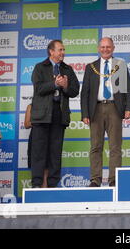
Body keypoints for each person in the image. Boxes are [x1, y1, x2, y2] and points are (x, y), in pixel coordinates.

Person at [81, 37, 130, 187]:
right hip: (95, 109)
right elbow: (85, 92)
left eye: (108, 47)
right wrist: (85, 114)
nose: (105, 49)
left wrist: (128, 108)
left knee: (115, 146)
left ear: (113, 48)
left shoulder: (120, 65)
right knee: (96, 146)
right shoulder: (91, 67)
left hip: (114, 108)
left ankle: (113, 179)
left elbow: (128, 89)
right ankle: (95, 179)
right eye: (102, 47)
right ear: (98, 48)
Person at [30, 40, 79, 188]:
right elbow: (38, 88)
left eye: (63, 50)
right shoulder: (40, 67)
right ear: (51, 52)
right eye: (60, 50)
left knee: (55, 152)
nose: (62, 52)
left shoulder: (67, 69)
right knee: (38, 152)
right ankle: (37, 184)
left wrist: (65, 86)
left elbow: (75, 91)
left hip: (59, 114)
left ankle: (52, 184)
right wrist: (55, 84)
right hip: (42, 115)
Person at [24, 103, 48, 188]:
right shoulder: (31, 106)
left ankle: (45, 188)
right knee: (36, 161)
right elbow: (26, 124)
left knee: (47, 163)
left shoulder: (51, 106)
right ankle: (37, 186)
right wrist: (40, 120)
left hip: (48, 135)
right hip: (35, 136)